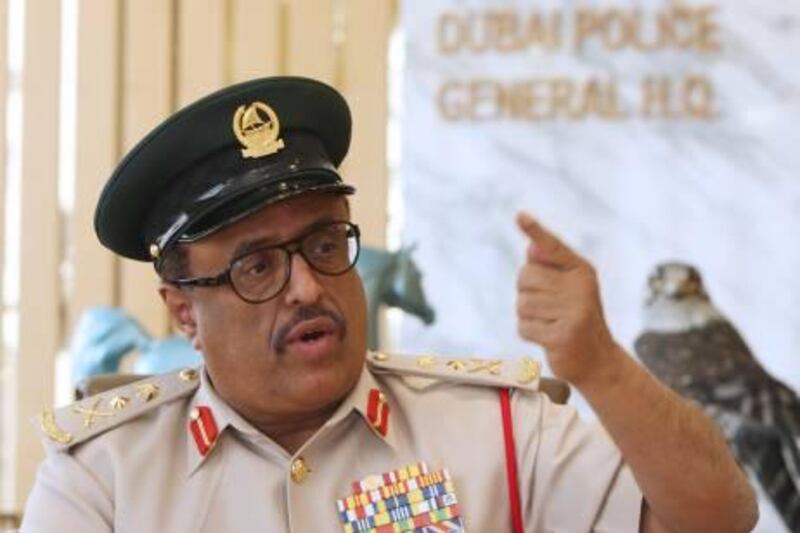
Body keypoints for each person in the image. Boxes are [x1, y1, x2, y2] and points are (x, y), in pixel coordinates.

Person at [21, 77, 756, 532]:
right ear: (183, 311)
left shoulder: (496, 426)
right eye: (257, 266)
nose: (306, 286)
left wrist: (599, 365)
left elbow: (720, 517)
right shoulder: (105, 472)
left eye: (324, 244)